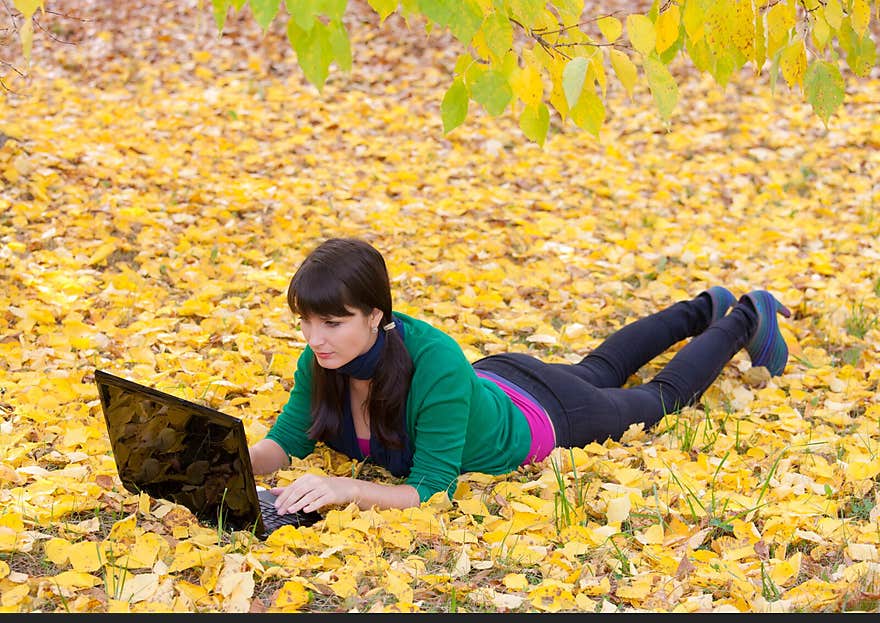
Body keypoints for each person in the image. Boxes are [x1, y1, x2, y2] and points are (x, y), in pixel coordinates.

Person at [249, 237, 791, 515]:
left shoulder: (432, 361)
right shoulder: (322, 361)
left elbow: (429, 492)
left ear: (376, 315)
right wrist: (223, 459)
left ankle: (745, 313)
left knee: (659, 397)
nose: (314, 337)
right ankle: (702, 308)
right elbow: (286, 442)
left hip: (549, 416)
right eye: (306, 322)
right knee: (599, 368)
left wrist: (343, 488)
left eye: (332, 322)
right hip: (495, 380)